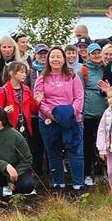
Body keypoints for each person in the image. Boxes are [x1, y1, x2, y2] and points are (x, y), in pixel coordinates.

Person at [35, 46, 85, 191]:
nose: (55, 59)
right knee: (53, 153)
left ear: (64, 59)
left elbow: (79, 97)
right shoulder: (41, 78)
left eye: (58, 56)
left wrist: (69, 114)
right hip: (49, 120)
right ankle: (58, 184)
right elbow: (39, 99)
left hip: (72, 119)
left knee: (76, 152)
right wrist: (51, 114)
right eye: (52, 56)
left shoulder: (73, 76)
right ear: (48, 59)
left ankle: (78, 185)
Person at [81, 43, 107, 186]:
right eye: (93, 53)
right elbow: (79, 91)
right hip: (87, 114)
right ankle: (87, 174)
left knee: (102, 145)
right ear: (88, 55)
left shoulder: (104, 68)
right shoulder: (83, 70)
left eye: (98, 52)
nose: (97, 55)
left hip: (103, 114)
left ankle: (100, 173)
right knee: (88, 145)